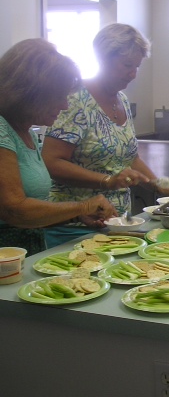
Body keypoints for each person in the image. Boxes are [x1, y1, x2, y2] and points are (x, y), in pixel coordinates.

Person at [42, 23, 169, 247]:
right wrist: (107, 181)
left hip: (117, 225)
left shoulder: (122, 100)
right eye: (127, 65)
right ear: (103, 58)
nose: (133, 74)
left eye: (137, 67)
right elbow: (51, 162)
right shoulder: (75, 100)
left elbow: (130, 158)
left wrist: (156, 185)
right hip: (74, 228)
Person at [0, 39, 117, 255]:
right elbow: (13, 210)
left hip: (27, 255)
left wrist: (75, 215)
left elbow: (32, 214)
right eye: (58, 97)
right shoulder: (1, 129)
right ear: (29, 93)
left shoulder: (27, 133)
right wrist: (82, 206)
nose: (64, 105)